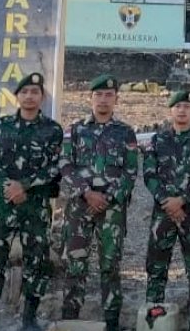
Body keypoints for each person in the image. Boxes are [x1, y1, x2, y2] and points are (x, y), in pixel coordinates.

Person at [0, 72, 63, 331]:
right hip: (4, 204)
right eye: (24, 92)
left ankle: (29, 318)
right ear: (17, 97)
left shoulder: (53, 130)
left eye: (35, 92)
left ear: (42, 97)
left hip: (35, 205)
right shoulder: (2, 126)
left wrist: (24, 186)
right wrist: (9, 187)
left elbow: (56, 166)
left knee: (37, 260)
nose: (29, 96)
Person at [59, 74, 138, 331]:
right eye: (98, 95)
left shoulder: (125, 132)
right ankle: (69, 319)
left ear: (116, 99)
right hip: (79, 207)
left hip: (111, 209)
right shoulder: (75, 130)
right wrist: (86, 192)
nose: (103, 100)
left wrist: (109, 197)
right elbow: (65, 164)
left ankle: (111, 322)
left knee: (110, 265)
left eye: (108, 95)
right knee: (75, 263)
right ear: (90, 98)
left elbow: (130, 171)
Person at [142, 90, 190, 331]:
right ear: (170, 110)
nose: (182, 110)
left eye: (187, 106)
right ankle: (153, 322)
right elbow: (149, 174)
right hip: (163, 214)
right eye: (178, 106)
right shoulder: (157, 141)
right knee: (156, 268)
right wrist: (168, 202)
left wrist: (182, 200)